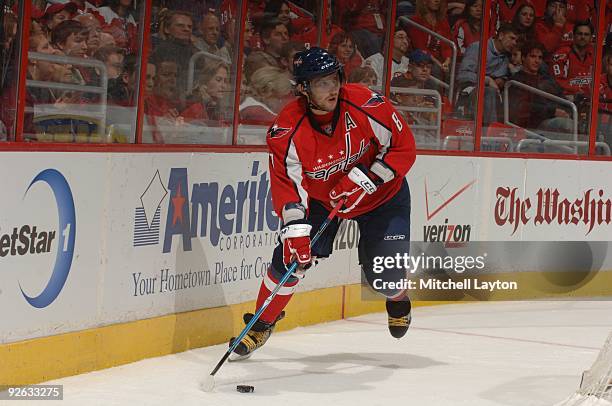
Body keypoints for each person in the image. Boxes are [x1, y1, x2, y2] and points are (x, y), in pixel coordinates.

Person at [229, 47, 416, 359]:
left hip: (384, 197)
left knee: (386, 279)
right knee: (290, 259)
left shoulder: (367, 104)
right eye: (322, 83)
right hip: (323, 201)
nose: (333, 89)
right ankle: (261, 324)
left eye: (334, 80)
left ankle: (398, 297)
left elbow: (403, 147)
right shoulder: (286, 130)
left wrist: (366, 178)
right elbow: (287, 186)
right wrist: (295, 231)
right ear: (304, 90)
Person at [549, 21, 594, 99]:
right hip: (566, 100)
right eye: (580, 34)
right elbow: (556, 82)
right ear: (573, 35)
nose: (583, 37)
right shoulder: (561, 55)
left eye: (586, 34)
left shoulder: (594, 56)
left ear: (591, 38)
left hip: (589, 101)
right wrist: (576, 90)